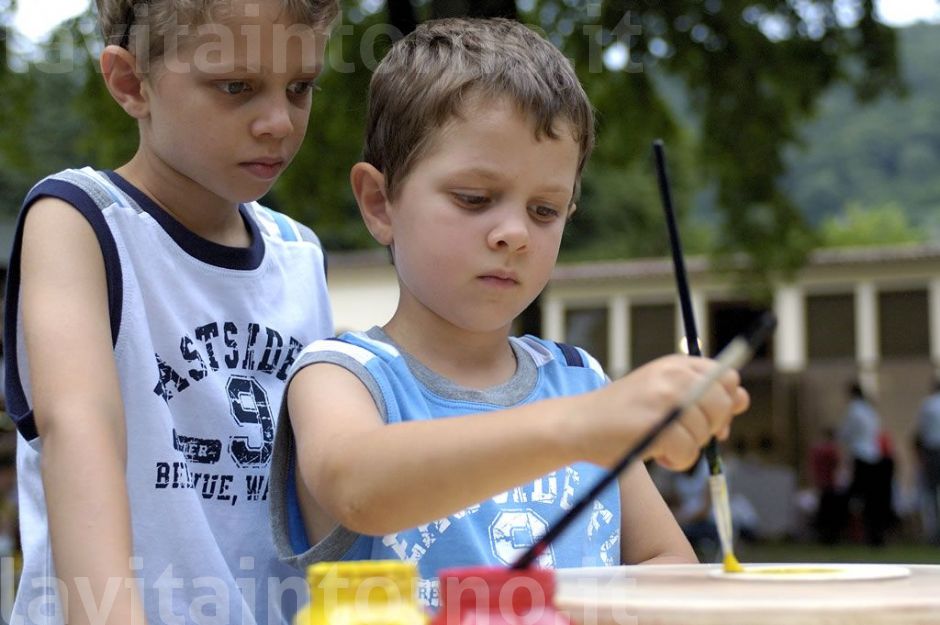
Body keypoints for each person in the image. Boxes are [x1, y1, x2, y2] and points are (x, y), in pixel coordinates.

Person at [269, 18, 751, 607]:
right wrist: (582, 426)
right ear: (379, 202)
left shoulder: (578, 379)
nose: (514, 233)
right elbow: (359, 489)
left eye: (545, 210)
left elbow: (666, 559)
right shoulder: (342, 376)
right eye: (474, 199)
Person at [3, 2, 338, 625]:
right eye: (235, 87)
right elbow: (77, 433)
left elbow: (324, 503)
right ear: (131, 82)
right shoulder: (81, 221)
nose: (278, 122)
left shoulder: (300, 255)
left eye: (300, 88)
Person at [838, 380, 885, 546]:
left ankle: (840, 532)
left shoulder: (854, 410)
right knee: (872, 498)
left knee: (854, 495)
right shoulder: (870, 411)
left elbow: (845, 434)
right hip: (874, 456)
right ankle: (874, 534)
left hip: (860, 456)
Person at [809, 427, 845, 544]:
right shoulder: (832, 449)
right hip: (831, 483)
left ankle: (823, 534)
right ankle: (832, 535)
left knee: (823, 510)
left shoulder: (817, 449)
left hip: (822, 482)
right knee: (831, 511)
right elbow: (836, 465)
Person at [917, 378, 940, 544]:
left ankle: (934, 532)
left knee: (931, 492)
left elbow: (922, 430)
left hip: (932, 451)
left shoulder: (928, 404)